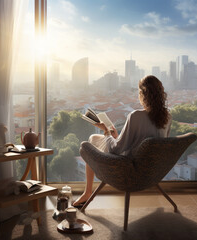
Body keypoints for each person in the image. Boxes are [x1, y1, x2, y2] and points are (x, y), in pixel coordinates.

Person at [72, 75, 172, 208]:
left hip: (128, 168)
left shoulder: (136, 116)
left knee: (91, 140)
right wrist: (117, 136)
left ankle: (88, 191)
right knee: (98, 139)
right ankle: (88, 192)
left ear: (143, 94)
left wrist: (106, 131)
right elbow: (153, 144)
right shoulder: (167, 117)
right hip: (152, 170)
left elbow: (116, 150)